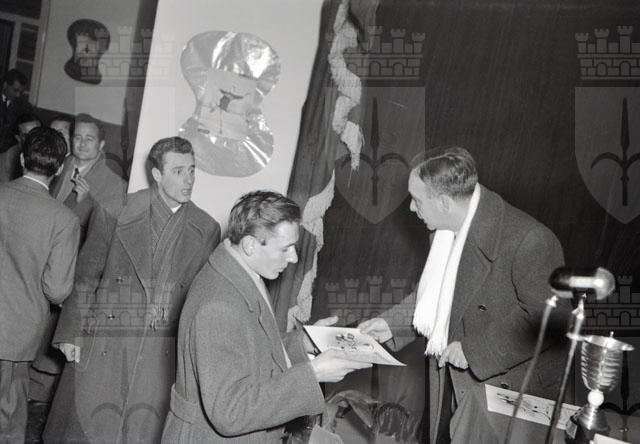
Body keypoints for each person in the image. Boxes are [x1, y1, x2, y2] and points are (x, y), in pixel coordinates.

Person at [359, 146, 568, 443]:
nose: (411, 209)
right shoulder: (444, 231)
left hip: (507, 390)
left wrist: (476, 350)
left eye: (417, 200)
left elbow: (550, 319)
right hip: (452, 377)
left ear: (444, 203)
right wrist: (392, 324)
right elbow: (439, 295)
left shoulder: (530, 239)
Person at [43, 136, 221, 444]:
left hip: (159, 354)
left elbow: (198, 301)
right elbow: (86, 276)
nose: (189, 179)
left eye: (192, 170)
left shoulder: (206, 228)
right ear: (157, 174)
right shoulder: (115, 210)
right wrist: (71, 333)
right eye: (179, 171)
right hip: (107, 340)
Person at [161, 190, 371, 443]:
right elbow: (230, 413)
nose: (293, 258)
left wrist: (302, 343)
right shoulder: (219, 305)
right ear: (250, 245)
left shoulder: (241, 272)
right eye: (285, 248)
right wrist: (312, 374)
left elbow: (246, 351)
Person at [0, 127, 80, 442]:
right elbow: (57, 289)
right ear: (59, 169)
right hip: (15, 335)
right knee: (8, 421)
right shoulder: (64, 219)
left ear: (22, 159)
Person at [50, 113, 127, 243]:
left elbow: (105, 236)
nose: (82, 144)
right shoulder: (57, 163)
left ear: (101, 144)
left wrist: (84, 203)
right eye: (78, 137)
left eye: (89, 139)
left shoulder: (117, 185)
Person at [0, 69, 31, 181]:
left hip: (6, 154)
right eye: (15, 90)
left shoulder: (23, 107)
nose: (18, 95)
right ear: (5, 85)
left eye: (21, 92)